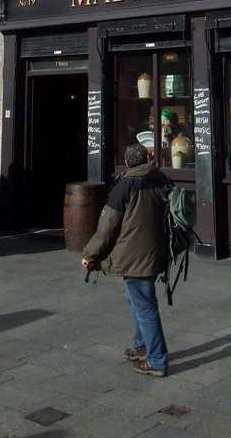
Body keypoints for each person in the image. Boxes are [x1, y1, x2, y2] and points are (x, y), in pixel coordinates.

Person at [81, 142, 169, 378]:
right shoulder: (161, 179)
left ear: (128, 162)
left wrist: (90, 254)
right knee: (137, 301)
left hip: (134, 254)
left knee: (145, 306)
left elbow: (107, 226)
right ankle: (141, 347)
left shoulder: (126, 184)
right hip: (156, 250)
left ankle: (157, 360)